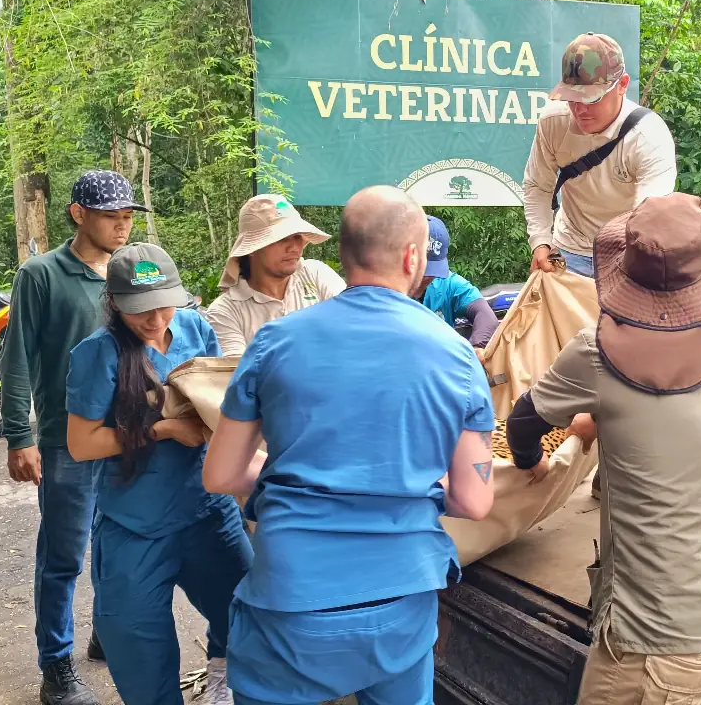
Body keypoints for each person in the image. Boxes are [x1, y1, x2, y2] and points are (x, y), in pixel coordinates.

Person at [202, 185, 495, 705]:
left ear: (341, 254)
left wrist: (293, 479)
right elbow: (474, 501)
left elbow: (220, 475)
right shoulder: (456, 355)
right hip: (399, 602)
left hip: (291, 598)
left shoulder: (274, 342)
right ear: (413, 255)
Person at [506, 192, 701, 705]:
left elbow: (523, 423)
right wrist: (602, 418)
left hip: (664, 637)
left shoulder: (596, 353)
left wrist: (534, 462)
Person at [65, 243, 252, 705]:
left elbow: (215, 403)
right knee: (140, 653)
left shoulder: (193, 328)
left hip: (206, 513)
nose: (154, 321)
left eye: (163, 305)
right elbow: (82, 442)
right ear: (114, 303)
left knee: (247, 616)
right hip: (136, 525)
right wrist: (164, 429)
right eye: (139, 310)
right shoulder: (98, 354)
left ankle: (221, 678)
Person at [0, 169, 147, 705]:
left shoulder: (133, 270)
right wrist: (20, 436)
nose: (123, 227)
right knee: (63, 556)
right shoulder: (41, 275)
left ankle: (105, 631)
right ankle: (55, 666)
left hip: (129, 435)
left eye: (129, 216)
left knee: (121, 541)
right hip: (66, 439)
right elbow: (16, 358)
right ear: (78, 214)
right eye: (113, 217)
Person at [523, 32, 677, 277]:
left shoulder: (648, 137)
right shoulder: (554, 122)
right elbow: (537, 186)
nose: (580, 109)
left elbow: (648, 216)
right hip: (569, 249)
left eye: (592, 99)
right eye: (573, 98)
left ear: (623, 85)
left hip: (625, 254)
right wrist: (541, 241)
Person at [206, 193, 346, 357]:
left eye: (297, 236)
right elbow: (237, 375)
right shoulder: (225, 311)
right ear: (252, 248)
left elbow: (350, 325)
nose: (294, 247)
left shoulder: (315, 274)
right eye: (282, 238)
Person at [409, 215, 499, 354]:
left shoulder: (448, 283)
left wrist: (476, 349)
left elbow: (485, 314)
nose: (426, 276)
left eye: (432, 269)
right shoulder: (384, 285)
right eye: (421, 267)